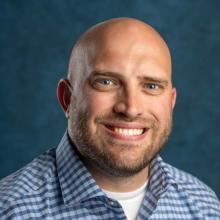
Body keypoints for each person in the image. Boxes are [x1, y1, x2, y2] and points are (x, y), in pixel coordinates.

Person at [0, 17, 219, 220]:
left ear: (171, 103)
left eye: (151, 86)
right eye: (106, 82)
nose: (131, 108)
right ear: (67, 98)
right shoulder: (10, 209)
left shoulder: (205, 207)